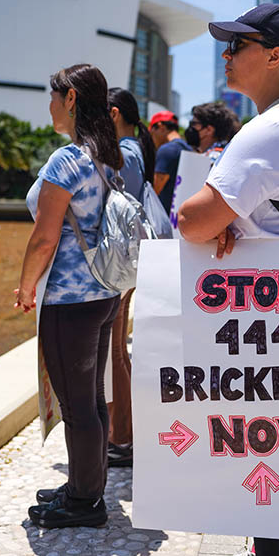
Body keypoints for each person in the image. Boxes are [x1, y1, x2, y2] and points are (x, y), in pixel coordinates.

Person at [178, 3, 279, 556]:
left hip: (267, 315)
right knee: (275, 446)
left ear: (275, 56)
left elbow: (191, 219)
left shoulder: (265, 129)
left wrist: (214, 220)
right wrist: (228, 222)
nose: (226, 54)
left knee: (272, 450)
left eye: (239, 44)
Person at [16, 64, 122, 528]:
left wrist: (24, 288)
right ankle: (86, 486)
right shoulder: (106, 157)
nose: (51, 105)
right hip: (103, 295)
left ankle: (84, 503)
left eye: (54, 96)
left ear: (72, 98)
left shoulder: (66, 160)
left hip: (68, 300)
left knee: (78, 406)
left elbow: (44, 238)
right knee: (92, 400)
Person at [107, 87, 156, 468]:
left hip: (118, 265)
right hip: (128, 263)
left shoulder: (124, 152)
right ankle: (122, 434)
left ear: (113, 113)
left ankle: (121, 438)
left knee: (114, 352)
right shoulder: (136, 148)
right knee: (118, 350)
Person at [149, 110, 191, 214]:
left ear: (161, 127)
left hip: (165, 218)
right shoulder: (189, 149)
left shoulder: (166, 150)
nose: (152, 139)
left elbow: (154, 190)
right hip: (181, 217)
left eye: (152, 133)